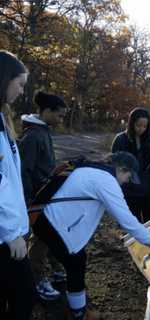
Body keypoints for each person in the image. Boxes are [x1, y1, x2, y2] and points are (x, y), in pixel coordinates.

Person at [31, 151, 150, 320]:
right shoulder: (105, 180)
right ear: (122, 169)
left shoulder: (94, 170)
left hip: (46, 217)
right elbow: (125, 218)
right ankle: (78, 313)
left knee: (72, 258)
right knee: (76, 263)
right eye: (128, 177)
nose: (127, 182)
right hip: (51, 222)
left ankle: (64, 285)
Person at [18, 91, 67, 300]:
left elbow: (41, 166)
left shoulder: (44, 131)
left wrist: (55, 170)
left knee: (49, 236)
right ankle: (36, 281)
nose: (61, 119)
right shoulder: (32, 136)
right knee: (39, 240)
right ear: (47, 111)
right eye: (59, 115)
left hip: (46, 195)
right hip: (36, 200)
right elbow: (24, 172)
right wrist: (31, 200)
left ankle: (54, 271)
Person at [0, 50, 35, 319]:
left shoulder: (3, 118)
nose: (22, 91)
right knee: (23, 295)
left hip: (9, 230)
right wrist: (12, 231)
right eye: (20, 84)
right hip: (4, 233)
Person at [111, 107, 150, 222]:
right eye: (138, 125)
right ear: (131, 123)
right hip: (128, 190)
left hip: (147, 189)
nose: (141, 129)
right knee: (132, 222)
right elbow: (113, 163)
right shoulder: (120, 139)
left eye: (144, 126)